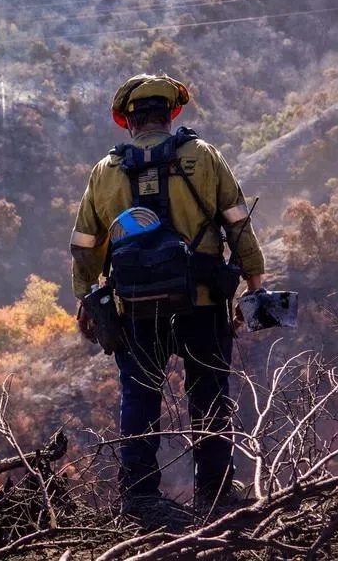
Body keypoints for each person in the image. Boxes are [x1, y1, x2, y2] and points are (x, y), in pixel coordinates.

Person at [69, 74, 266, 514]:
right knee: (210, 394)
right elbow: (237, 223)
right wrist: (254, 284)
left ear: (128, 122)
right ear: (172, 113)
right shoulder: (203, 156)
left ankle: (139, 498)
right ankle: (215, 495)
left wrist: (87, 298)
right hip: (203, 303)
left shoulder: (106, 171)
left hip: (135, 310)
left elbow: (84, 244)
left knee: (139, 397)